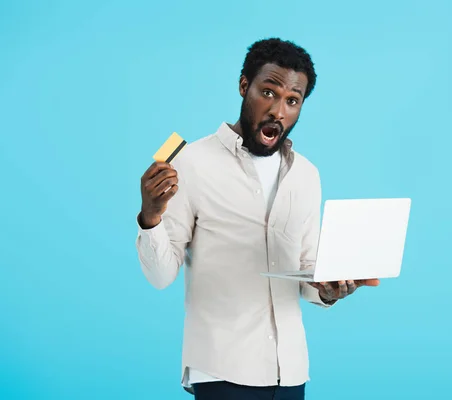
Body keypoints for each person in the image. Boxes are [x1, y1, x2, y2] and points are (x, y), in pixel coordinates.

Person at [135, 37, 379, 400]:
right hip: (222, 370)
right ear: (244, 85)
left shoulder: (307, 175)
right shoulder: (192, 163)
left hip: (290, 371)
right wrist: (151, 215)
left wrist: (327, 291)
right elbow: (160, 276)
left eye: (292, 101)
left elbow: (306, 270)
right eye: (269, 92)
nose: (279, 111)